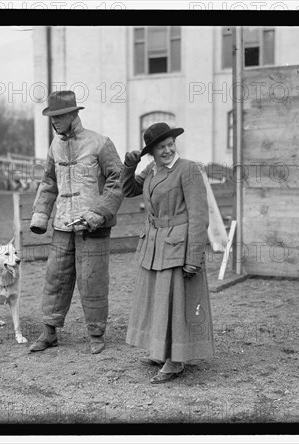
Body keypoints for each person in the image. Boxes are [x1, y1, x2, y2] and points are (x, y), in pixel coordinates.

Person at [29, 90, 124, 354]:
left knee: (92, 280)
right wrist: (41, 216)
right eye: (52, 116)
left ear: (74, 114)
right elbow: (48, 182)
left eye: (59, 116)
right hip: (62, 226)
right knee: (55, 279)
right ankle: (49, 332)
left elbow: (117, 182)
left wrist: (99, 213)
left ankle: (96, 333)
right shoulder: (54, 146)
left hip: (93, 227)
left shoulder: (100, 143)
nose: (55, 122)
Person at [122, 122, 214, 384]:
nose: (168, 150)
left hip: (178, 246)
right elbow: (128, 190)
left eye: (170, 144)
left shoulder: (188, 170)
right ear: (151, 152)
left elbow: (199, 216)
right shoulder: (152, 169)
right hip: (155, 245)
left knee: (176, 305)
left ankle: (175, 361)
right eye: (161, 147)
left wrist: (194, 257)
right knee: (158, 302)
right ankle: (161, 351)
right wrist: (129, 166)